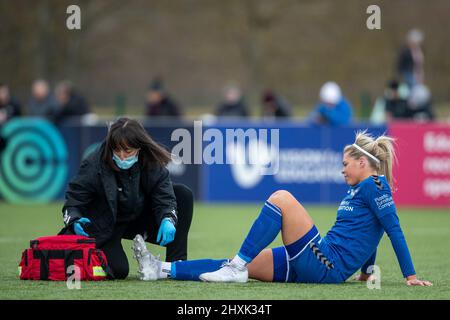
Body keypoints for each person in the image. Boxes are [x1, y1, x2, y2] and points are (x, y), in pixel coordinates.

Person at [131, 131, 432, 287]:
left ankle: (235, 268)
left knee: (282, 198)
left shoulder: (373, 186)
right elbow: (370, 232)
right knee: (231, 263)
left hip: (325, 265)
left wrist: (410, 275)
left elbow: (392, 230)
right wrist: (367, 273)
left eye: (345, 164)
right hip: (317, 262)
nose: (342, 170)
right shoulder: (361, 189)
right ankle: (160, 269)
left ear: (363, 163)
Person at [59, 117, 194, 279]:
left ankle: (174, 266)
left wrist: (168, 219)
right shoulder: (94, 164)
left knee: (183, 194)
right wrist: (74, 220)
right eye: (117, 150)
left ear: (139, 147)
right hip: (107, 225)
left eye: (128, 151)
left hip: (136, 217)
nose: (122, 157)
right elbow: (73, 202)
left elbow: (164, 196)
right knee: (119, 270)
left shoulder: (150, 159)